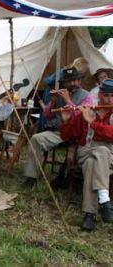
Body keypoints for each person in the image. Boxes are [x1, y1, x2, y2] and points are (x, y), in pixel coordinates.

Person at [22, 66, 93, 187]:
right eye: (69, 81)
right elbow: (48, 115)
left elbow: (82, 117)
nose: (72, 83)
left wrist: (68, 100)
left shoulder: (87, 96)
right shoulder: (60, 93)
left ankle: (66, 178)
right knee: (36, 139)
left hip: (77, 135)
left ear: (79, 81)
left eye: (75, 80)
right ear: (64, 82)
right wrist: (53, 101)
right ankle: (31, 177)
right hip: (60, 132)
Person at [59, 79, 113, 231]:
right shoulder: (88, 110)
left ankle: (89, 214)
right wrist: (67, 120)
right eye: (107, 96)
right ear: (100, 96)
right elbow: (67, 136)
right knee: (99, 152)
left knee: (92, 162)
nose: (110, 100)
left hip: (110, 157)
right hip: (86, 150)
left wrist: (92, 122)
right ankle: (105, 201)